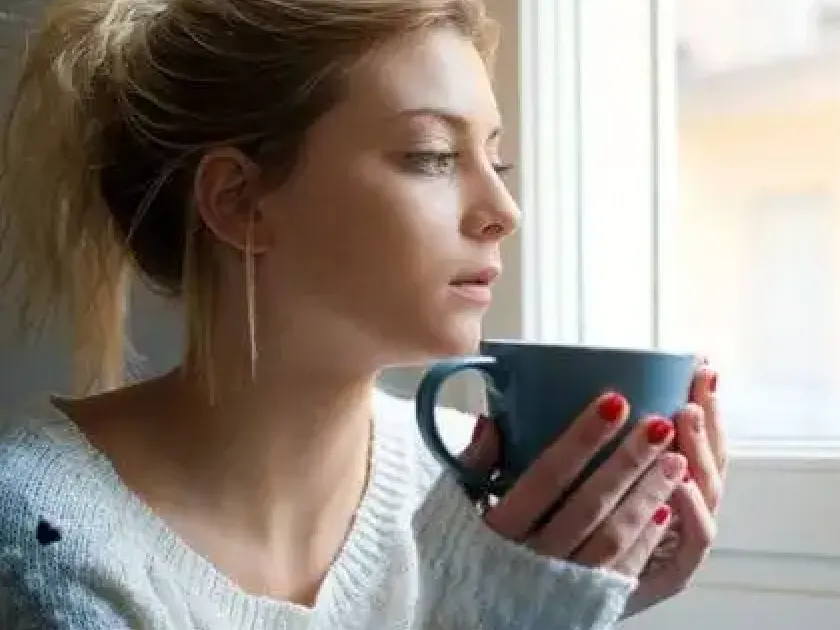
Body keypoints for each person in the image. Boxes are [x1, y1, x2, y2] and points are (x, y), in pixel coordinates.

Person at [0, 0, 727, 628]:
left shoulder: (482, 483)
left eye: (496, 162)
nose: (504, 211)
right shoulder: (44, 525)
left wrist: (590, 596)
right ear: (239, 201)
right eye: (432, 156)